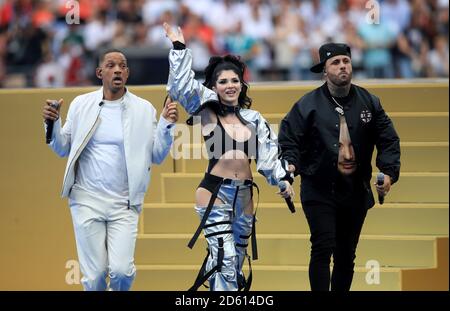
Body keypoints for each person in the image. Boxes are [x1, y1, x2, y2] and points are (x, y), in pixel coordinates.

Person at [163, 23, 294, 291]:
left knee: (233, 265)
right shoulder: (207, 109)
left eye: (235, 80)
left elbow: (269, 156)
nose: (230, 85)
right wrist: (178, 47)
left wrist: (283, 180)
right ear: (213, 86)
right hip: (215, 192)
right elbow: (180, 87)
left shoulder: (254, 119)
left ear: (242, 84)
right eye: (223, 81)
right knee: (225, 259)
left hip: (245, 196)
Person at [42, 49, 178, 291]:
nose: (117, 69)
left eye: (122, 66)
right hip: (86, 200)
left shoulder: (144, 109)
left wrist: (167, 124)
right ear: (99, 73)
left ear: (127, 73)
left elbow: (157, 155)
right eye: (111, 65)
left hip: (125, 203)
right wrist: (52, 123)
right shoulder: (80, 104)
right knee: (94, 278)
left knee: (121, 272)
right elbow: (63, 149)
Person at [278, 43, 401, 291]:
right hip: (318, 188)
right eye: (335, 62)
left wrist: (388, 172)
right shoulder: (307, 105)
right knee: (322, 247)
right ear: (324, 70)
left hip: (355, 189)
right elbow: (289, 140)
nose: (342, 66)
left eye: (346, 61)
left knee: (346, 255)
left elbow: (388, 139)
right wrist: (289, 169)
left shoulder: (370, 102)